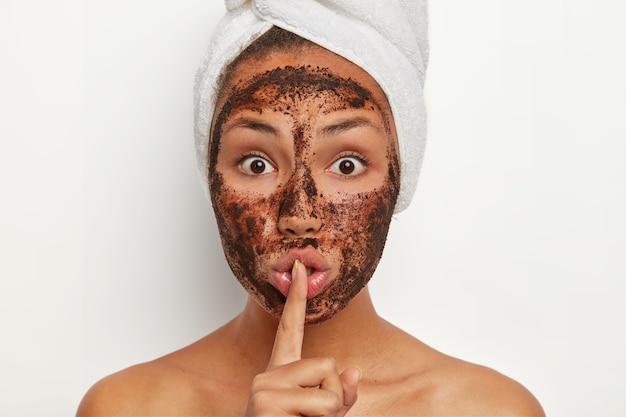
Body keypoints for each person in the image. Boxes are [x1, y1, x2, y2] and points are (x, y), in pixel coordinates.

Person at [77, 1, 545, 415]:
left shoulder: (490, 410)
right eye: (256, 162)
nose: (299, 215)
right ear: (211, 174)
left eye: (346, 163)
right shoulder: (127, 408)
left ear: (401, 175)